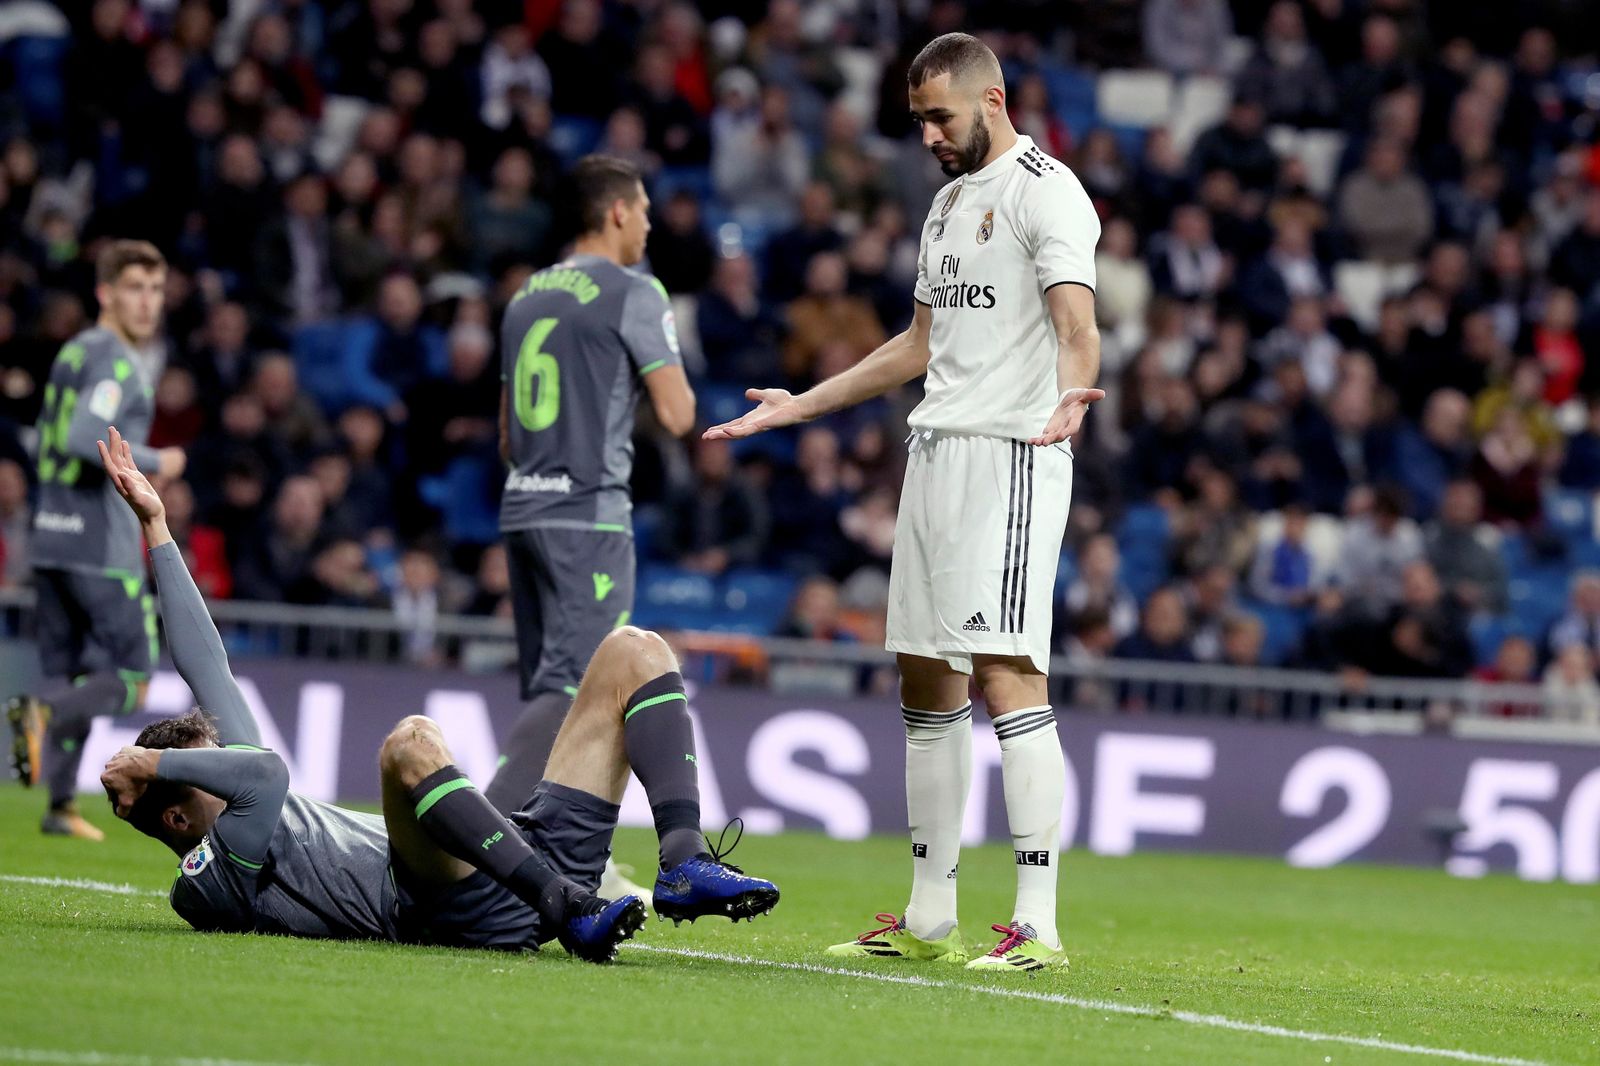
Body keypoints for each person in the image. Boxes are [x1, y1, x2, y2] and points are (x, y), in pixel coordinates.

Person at [705, 34, 1102, 973]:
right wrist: (801, 406)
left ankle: (1038, 922)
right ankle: (931, 918)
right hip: (935, 454)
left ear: (993, 101)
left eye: (939, 116)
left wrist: (1072, 395)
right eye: (918, 118)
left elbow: (1075, 325)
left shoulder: (1048, 192)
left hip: (1012, 452)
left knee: (1007, 672)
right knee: (926, 680)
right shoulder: (945, 205)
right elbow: (917, 343)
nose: (926, 134)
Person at [94, 425, 775, 956]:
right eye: (207, 767)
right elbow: (266, 773)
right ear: (180, 820)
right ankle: (567, 906)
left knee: (636, 650)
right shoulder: (206, 880)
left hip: (510, 860)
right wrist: (154, 766)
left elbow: (206, 665)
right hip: (433, 903)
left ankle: (682, 861)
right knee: (409, 743)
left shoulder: (228, 803)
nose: (227, 760)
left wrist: (155, 526)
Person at [486, 155, 696, 905]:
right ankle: (483, 839)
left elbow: (509, 434)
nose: (646, 223)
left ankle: (579, 858)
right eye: (641, 209)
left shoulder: (524, 297)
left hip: (524, 511)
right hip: (589, 517)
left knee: (560, 691)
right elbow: (677, 414)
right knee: (584, 688)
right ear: (614, 213)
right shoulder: (633, 291)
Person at [7, 241, 187, 840]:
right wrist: (161, 458)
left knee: (75, 675)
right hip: (99, 549)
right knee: (132, 682)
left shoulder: (75, 349)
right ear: (105, 293)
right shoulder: (116, 360)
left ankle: (59, 805)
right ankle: (40, 714)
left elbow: (46, 436)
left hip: (51, 538)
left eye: (156, 289)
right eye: (134, 287)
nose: (147, 301)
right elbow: (85, 435)